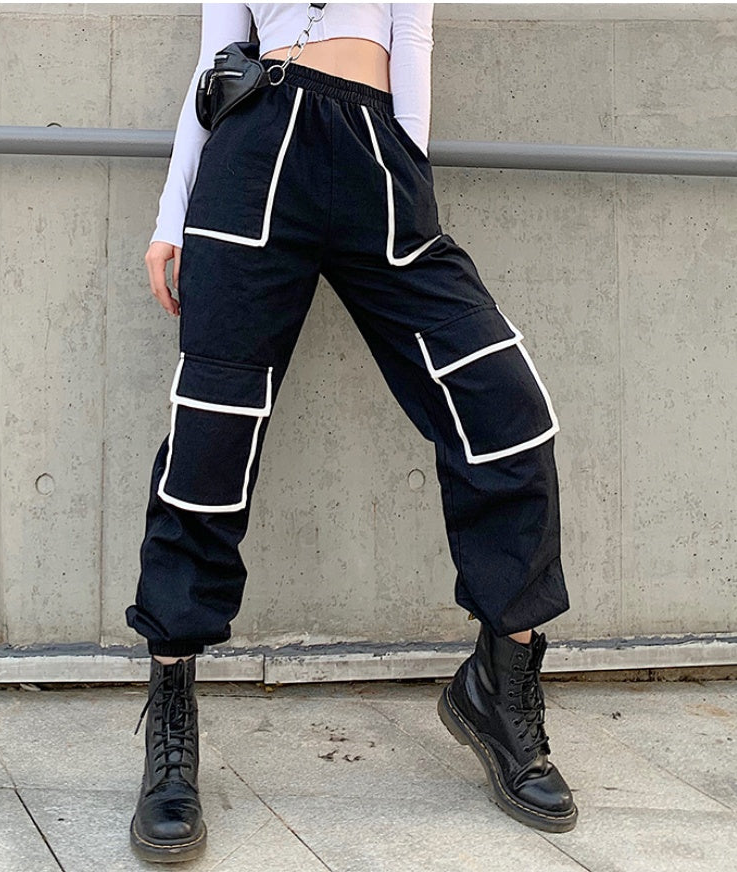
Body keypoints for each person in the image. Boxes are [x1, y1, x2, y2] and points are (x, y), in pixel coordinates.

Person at [127, 2, 578, 862]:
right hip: (252, 153)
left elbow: (413, 38)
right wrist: (167, 218)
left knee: (506, 415)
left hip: (378, 160)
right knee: (209, 443)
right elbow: (215, 56)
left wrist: (407, 189)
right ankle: (172, 721)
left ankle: (501, 682)